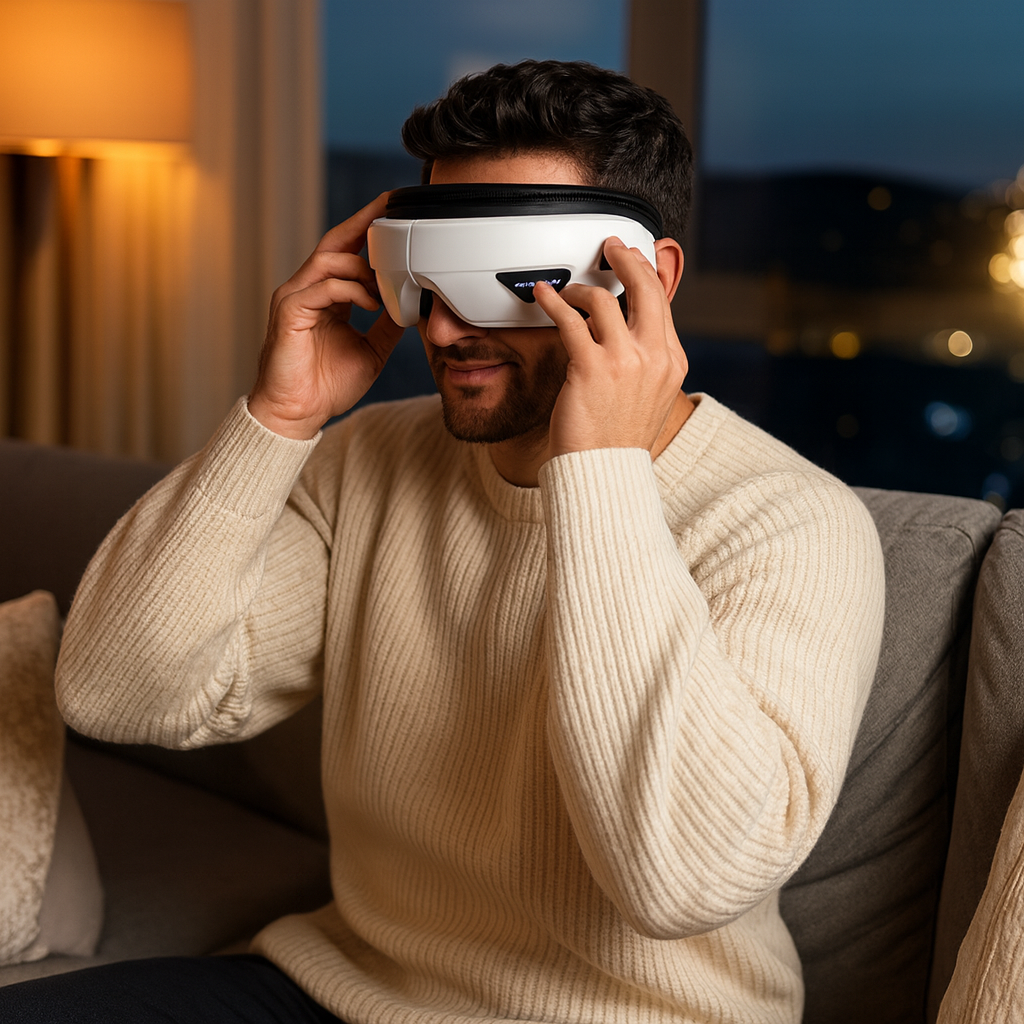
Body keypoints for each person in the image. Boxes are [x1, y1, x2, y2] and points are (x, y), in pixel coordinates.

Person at [3, 60, 885, 1024]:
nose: (450, 326)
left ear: (647, 281)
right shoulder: (371, 459)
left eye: (512, 283)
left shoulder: (792, 521)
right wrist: (280, 416)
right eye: (427, 278)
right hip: (340, 986)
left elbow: (682, 882)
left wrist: (595, 474)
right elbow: (116, 695)